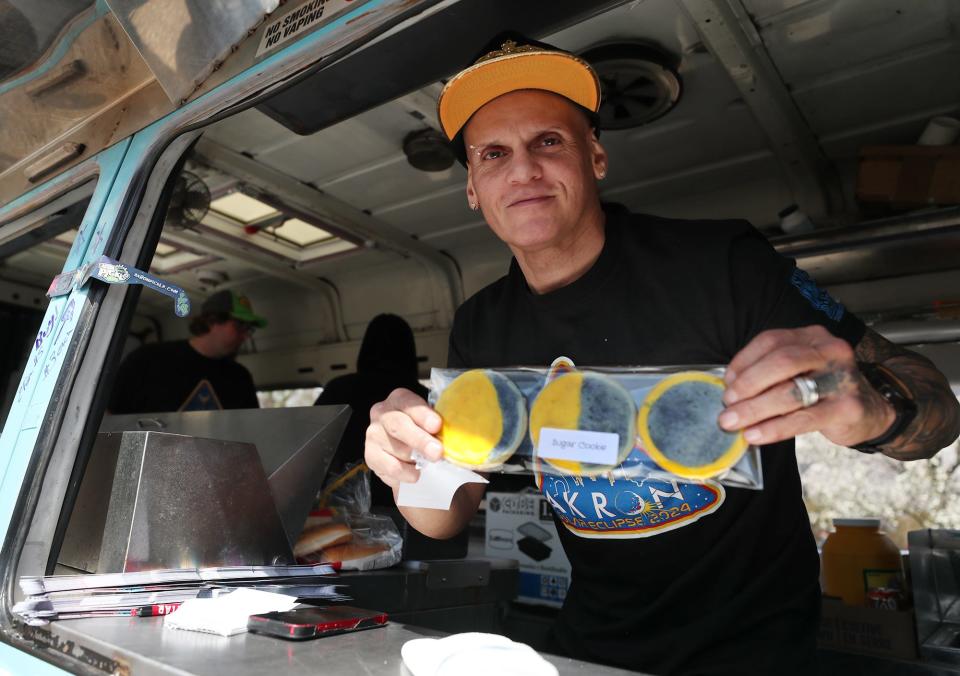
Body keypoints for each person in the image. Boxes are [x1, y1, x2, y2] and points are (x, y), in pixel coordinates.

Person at [363, 33, 960, 675]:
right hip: (593, 650)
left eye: (549, 142)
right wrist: (408, 465)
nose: (524, 169)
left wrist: (869, 409)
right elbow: (445, 517)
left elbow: (938, 414)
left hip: (758, 654)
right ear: (475, 190)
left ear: (595, 156)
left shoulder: (722, 265)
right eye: (494, 154)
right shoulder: (481, 325)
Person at [315, 313, 428, 506]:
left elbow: (312, 446)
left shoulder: (338, 388)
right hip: (409, 505)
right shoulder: (423, 397)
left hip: (343, 505)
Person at [108, 290, 264, 414]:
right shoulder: (147, 359)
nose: (245, 336)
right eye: (240, 326)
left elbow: (247, 428)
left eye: (249, 329)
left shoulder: (240, 378)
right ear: (212, 320)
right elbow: (109, 412)